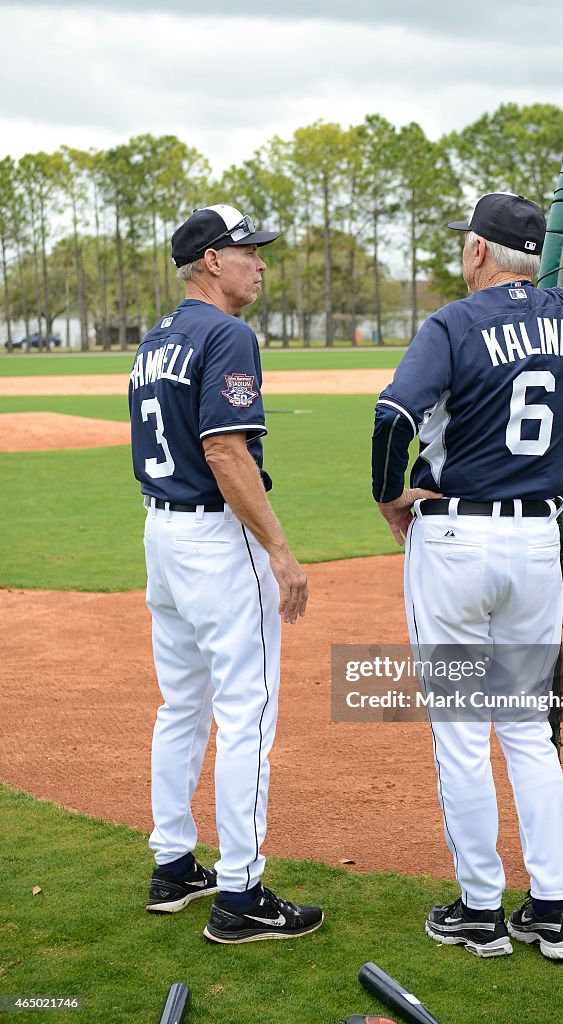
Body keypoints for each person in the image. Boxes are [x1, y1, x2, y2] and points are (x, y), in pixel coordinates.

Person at [371, 192, 563, 961]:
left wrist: (387, 497)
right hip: (536, 546)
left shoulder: (452, 323)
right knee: (528, 731)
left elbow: (393, 416)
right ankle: (553, 913)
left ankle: (480, 912)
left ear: (476, 254)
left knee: (461, 736)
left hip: (455, 542)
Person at [128, 204, 323, 945]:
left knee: (181, 705)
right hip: (214, 537)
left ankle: (173, 863)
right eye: (248, 251)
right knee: (246, 713)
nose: (260, 262)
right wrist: (278, 549)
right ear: (212, 260)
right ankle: (240, 894)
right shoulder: (227, 333)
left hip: (161, 536)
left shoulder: (156, 339)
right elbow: (225, 452)